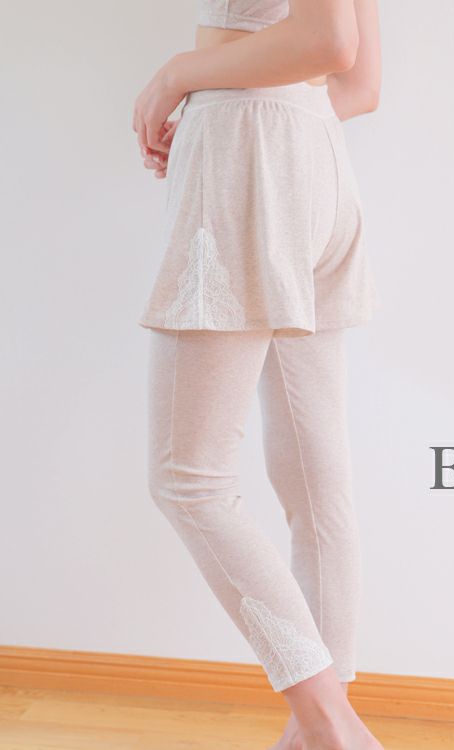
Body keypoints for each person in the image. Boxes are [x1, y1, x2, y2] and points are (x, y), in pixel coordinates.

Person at [132, 1, 382, 748]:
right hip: (315, 153)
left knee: (188, 479)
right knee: (314, 478)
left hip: (246, 160)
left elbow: (329, 43)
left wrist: (181, 77)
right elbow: (361, 85)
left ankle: (333, 728)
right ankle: (312, 737)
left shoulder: (203, 88)